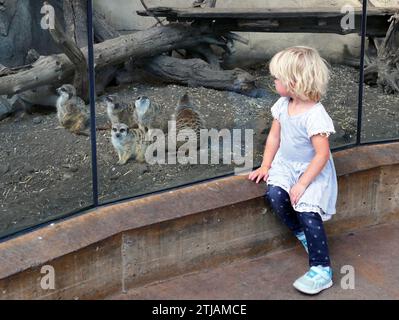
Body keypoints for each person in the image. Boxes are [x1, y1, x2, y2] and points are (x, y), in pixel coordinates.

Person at [248, 46, 338, 295]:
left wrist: (302, 184)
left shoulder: (315, 115)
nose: (274, 81)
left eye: (278, 78)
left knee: (308, 211)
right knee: (276, 196)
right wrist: (266, 165)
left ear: (295, 82)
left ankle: (322, 270)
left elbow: (321, 155)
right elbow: (274, 138)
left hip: (311, 171)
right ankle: (303, 235)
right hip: (286, 165)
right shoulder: (282, 104)